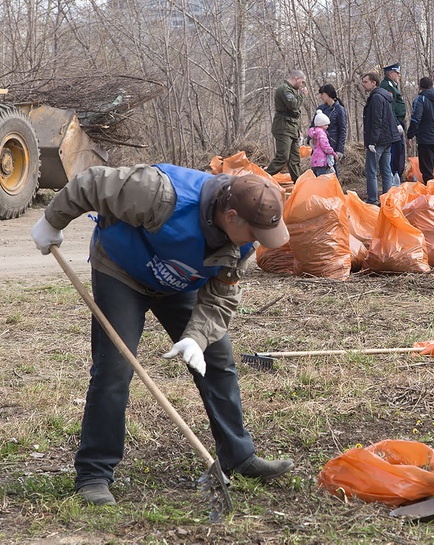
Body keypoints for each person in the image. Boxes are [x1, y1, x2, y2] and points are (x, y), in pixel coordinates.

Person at [30, 166, 295, 506]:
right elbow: (91, 183)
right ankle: (93, 474)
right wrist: (53, 221)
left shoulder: (240, 244)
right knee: (115, 369)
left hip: (179, 284)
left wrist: (197, 339)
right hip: (122, 272)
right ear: (231, 216)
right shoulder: (160, 194)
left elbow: (222, 296)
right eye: (254, 231)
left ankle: (238, 456)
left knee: (218, 359)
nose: (257, 240)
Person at [361, 71, 399, 205]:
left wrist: (372, 141)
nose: (363, 84)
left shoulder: (376, 97)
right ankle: (387, 199)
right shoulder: (384, 96)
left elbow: (377, 120)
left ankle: (373, 200)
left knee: (371, 171)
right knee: (385, 170)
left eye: (365, 82)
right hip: (388, 138)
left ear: (373, 83)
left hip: (379, 140)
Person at [266, 70, 309, 182]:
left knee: (295, 159)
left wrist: (298, 130)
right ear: (297, 79)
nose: (302, 85)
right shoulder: (284, 89)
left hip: (292, 128)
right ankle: (262, 177)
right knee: (283, 156)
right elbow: (293, 105)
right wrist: (302, 96)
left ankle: (298, 184)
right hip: (283, 127)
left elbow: (295, 113)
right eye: (302, 82)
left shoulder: (293, 91)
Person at [379, 63, 408, 186]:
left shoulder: (392, 85)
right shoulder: (387, 86)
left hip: (398, 122)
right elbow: (389, 108)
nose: (399, 75)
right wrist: (396, 123)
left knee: (400, 150)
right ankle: (393, 175)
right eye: (397, 73)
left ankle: (397, 174)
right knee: (394, 150)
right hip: (393, 124)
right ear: (391, 73)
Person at [316, 84, 348, 173]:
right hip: (320, 145)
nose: (321, 96)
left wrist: (339, 149)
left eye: (322, 94)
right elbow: (313, 125)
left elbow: (342, 130)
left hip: (332, 144)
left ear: (327, 94)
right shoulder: (320, 109)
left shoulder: (339, 109)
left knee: (332, 169)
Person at [308, 110, 338, 176]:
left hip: (315, 161)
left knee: (317, 180)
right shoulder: (321, 134)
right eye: (326, 125)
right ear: (321, 124)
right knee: (323, 180)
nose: (327, 126)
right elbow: (325, 146)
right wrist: (333, 153)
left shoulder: (314, 133)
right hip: (322, 161)